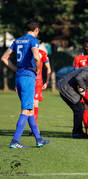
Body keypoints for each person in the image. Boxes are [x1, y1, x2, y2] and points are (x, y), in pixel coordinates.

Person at [1, 20, 50, 148]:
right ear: (37, 30)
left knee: (30, 110)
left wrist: (16, 69)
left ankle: (39, 139)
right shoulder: (33, 40)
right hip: (28, 77)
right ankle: (15, 141)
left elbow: (4, 58)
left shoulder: (17, 41)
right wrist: (38, 69)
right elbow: (36, 56)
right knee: (26, 109)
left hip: (19, 77)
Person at [30, 48, 51, 134]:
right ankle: (31, 127)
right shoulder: (27, 52)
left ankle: (33, 128)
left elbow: (48, 68)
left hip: (38, 82)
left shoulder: (42, 53)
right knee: (27, 105)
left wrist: (47, 82)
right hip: (28, 80)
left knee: (35, 104)